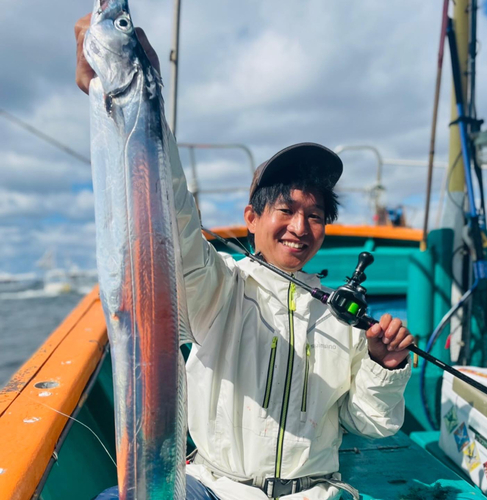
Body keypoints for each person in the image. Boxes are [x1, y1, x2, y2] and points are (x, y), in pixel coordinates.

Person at [76, 15, 414, 500]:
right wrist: (137, 97)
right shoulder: (220, 285)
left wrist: (385, 366)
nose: (301, 227)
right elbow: (173, 216)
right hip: (214, 488)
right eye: (286, 210)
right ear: (251, 218)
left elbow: (370, 424)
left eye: (315, 215)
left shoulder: (344, 318)